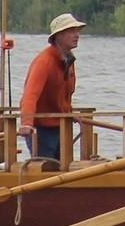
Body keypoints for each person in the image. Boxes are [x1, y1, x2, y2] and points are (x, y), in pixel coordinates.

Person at [17, 13, 84, 166]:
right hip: (41, 129)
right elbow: (30, 95)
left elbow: (64, 94)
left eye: (77, 31)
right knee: (46, 168)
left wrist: (69, 112)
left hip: (60, 126)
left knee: (64, 167)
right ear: (58, 36)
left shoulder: (69, 60)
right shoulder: (44, 62)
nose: (77, 35)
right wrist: (27, 123)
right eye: (71, 31)